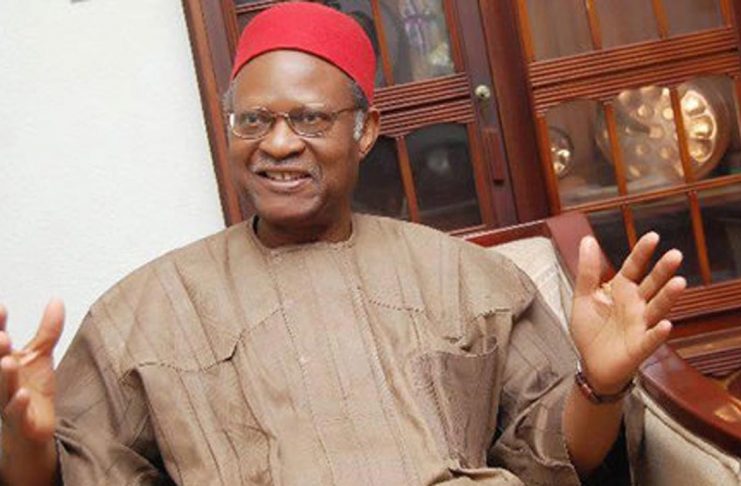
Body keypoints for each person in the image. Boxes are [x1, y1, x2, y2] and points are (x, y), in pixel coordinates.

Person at [0, 2, 686, 485]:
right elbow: (74, 471)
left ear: (364, 131)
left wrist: (599, 384)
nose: (277, 144)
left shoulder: (466, 280)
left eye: (309, 118)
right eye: (253, 120)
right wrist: (20, 442)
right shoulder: (146, 310)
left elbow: (559, 462)